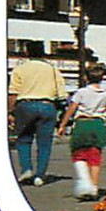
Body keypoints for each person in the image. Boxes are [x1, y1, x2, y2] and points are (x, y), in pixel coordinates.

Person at [8, 43, 67, 186]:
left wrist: (10, 112)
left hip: (25, 105)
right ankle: (40, 175)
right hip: (47, 105)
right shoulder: (53, 70)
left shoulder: (20, 69)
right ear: (44, 53)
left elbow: (13, 93)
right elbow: (62, 94)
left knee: (23, 139)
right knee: (44, 143)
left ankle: (27, 169)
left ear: (27, 53)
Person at [58, 62, 106, 200]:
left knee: (79, 153)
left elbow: (72, 108)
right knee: (95, 156)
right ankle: (94, 187)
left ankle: (84, 181)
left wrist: (62, 124)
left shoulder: (81, 92)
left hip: (83, 123)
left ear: (86, 78)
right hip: (99, 123)